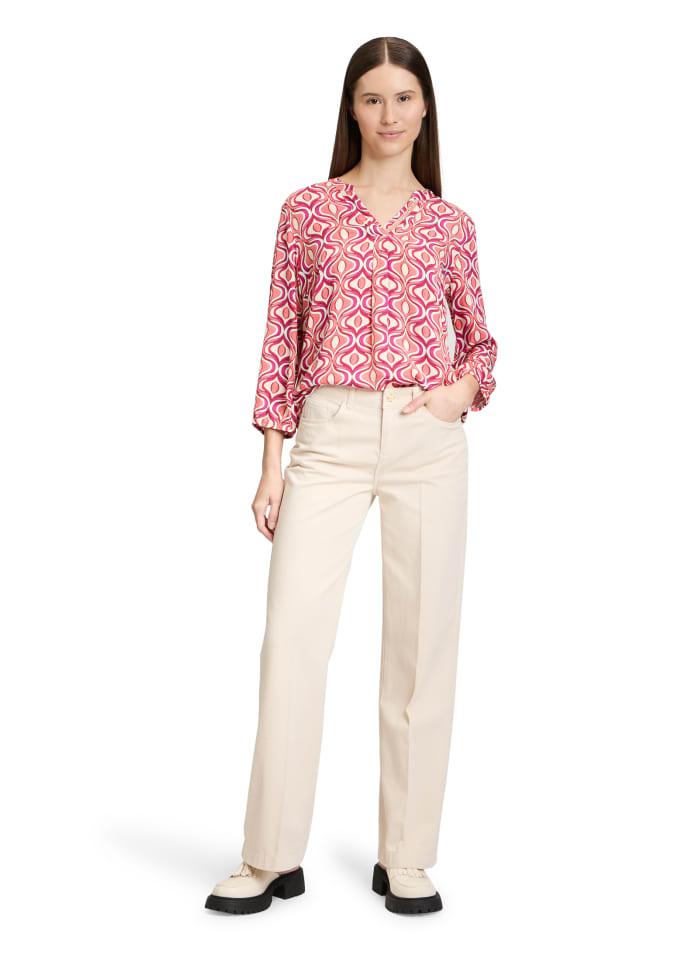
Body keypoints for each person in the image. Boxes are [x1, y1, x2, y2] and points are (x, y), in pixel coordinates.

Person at [205, 35, 498, 917]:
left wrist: (458, 393)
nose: (389, 114)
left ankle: (405, 856)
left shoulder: (451, 225)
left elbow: (481, 342)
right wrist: (271, 460)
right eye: (373, 98)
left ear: (425, 108)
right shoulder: (307, 212)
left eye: (404, 97)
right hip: (328, 436)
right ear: (352, 109)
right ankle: (269, 855)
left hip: (424, 437)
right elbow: (281, 335)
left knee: (420, 648)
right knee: (292, 641)